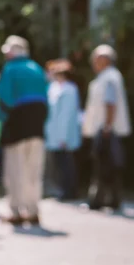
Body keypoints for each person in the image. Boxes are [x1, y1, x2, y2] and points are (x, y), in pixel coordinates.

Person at [0, 35, 49, 226]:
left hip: (16, 126)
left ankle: (17, 211)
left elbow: (5, 99)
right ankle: (33, 210)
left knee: (15, 170)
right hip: (37, 127)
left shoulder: (10, 69)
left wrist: (3, 120)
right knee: (33, 170)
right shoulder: (36, 68)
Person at [83, 45, 131, 212]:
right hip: (107, 129)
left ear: (105, 59)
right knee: (109, 165)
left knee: (104, 166)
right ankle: (111, 200)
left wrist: (107, 126)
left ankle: (99, 200)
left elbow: (110, 104)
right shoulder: (108, 77)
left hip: (107, 130)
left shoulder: (109, 77)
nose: (93, 62)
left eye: (96, 58)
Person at [45, 59, 81, 201]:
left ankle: (69, 192)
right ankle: (62, 190)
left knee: (66, 164)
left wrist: (64, 137)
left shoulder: (69, 89)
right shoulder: (53, 87)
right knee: (59, 164)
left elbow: (67, 115)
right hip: (54, 134)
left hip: (63, 136)